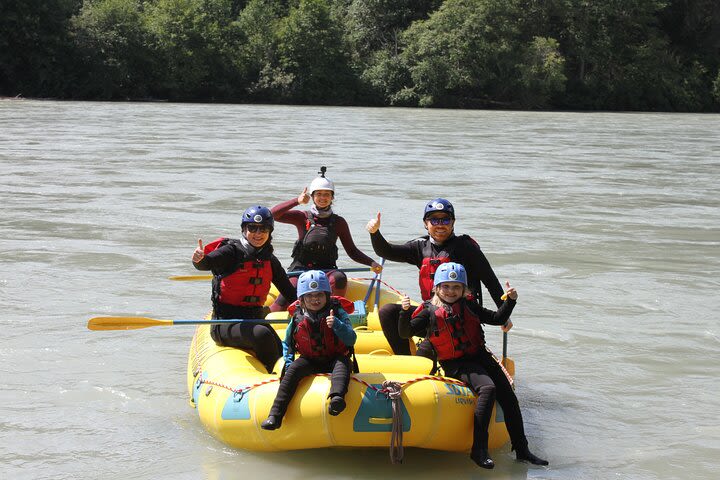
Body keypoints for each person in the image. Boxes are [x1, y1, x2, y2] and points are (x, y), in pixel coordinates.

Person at [398, 262, 547, 468]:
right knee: (488, 388)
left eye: (456, 287)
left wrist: (511, 300)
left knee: (509, 398)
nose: (451, 291)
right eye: (446, 286)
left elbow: (497, 318)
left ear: (464, 289)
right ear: (437, 288)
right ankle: (479, 450)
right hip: (455, 363)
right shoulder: (428, 311)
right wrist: (404, 312)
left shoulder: (469, 305)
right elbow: (405, 333)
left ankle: (522, 450)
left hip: (479, 356)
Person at [366, 198, 509, 355]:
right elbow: (387, 251)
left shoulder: (466, 248)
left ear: (453, 222)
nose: (440, 224)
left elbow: (490, 280)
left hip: (460, 317)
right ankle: (406, 359)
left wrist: (505, 314)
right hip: (433, 316)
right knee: (388, 312)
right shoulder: (420, 247)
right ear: (425, 223)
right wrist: (375, 233)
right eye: (434, 219)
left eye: (445, 219)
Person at [192, 205, 297, 373]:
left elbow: (290, 293)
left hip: (253, 318)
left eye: (263, 229)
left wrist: (313, 309)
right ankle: (276, 376)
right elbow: (206, 263)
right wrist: (198, 259)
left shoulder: (270, 260)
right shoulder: (231, 252)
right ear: (244, 229)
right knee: (262, 335)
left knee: (279, 346)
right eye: (252, 228)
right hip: (224, 322)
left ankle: (285, 374)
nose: (258, 233)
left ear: (270, 232)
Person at [269, 167, 382, 311]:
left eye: (327, 194)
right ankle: (269, 318)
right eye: (319, 194)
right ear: (312, 196)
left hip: (327, 270)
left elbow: (352, 250)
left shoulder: (339, 222)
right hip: (299, 270)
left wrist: (371, 263)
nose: (323, 198)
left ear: (332, 197)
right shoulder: (302, 217)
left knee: (339, 278)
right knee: (289, 289)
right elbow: (272, 215)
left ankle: (335, 313)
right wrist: (297, 201)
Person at [261, 270, 357, 430]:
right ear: (302, 299)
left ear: (327, 295)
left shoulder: (337, 312)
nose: (315, 299)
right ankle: (275, 415)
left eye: (319, 295)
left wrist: (337, 325)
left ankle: (337, 398)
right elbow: (288, 342)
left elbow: (351, 339)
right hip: (310, 360)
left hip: (335, 357)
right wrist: (289, 362)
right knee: (292, 372)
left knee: (343, 363)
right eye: (309, 296)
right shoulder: (297, 316)